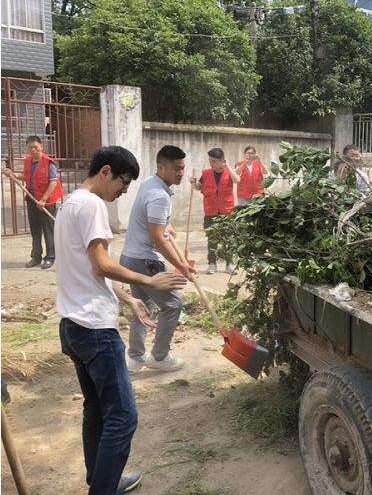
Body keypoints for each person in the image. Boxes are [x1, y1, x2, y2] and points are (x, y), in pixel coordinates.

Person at [55, 146, 187, 495]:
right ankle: (103, 488)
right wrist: (146, 282)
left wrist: (127, 298)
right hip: (95, 330)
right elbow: (101, 264)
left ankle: (102, 480)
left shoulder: (70, 203)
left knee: (97, 409)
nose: (124, 190)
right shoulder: (94, 205)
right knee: (124, 417)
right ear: (106, 172)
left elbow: (88, 270)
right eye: (123, 182)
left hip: (71, 325)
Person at [120, 145, 197, 374]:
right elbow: (158, 239)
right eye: (176, 169)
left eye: (182, 168)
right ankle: (160, 357)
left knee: (143, 305)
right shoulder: (159, 195)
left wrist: (166, 225)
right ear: (161, 167)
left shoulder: (150, 184)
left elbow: (155, 224)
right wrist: (181, 266)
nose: (180, 173)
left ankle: (135, 357)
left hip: (131, 257)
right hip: (145, 260)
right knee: (173, 304)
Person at [2, 135, 64, 269]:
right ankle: (36, 257)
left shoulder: (48, 163)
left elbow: (53, 183)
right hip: (32, 200)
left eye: (36, 147)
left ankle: (50, 257)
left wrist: (43, 200)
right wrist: (12, 174)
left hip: (46, 201)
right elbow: (26, 177)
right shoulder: (28, 161)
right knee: (35, 230)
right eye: (30, 148)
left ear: (41, 147)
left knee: (48, 230)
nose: (33, 150)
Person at [191, 147, 240, 275]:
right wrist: (194, 183)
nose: (211, 163)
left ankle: (229, 264)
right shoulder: (206, 173)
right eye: (210, 161)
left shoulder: (229, 173)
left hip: (226, 212)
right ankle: (212, 264)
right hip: (210, 211)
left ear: (221, 161)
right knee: (212, 240)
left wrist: (227, 166)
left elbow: (237, 180)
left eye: (213, 161)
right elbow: (198, 187)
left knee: (227, 239)